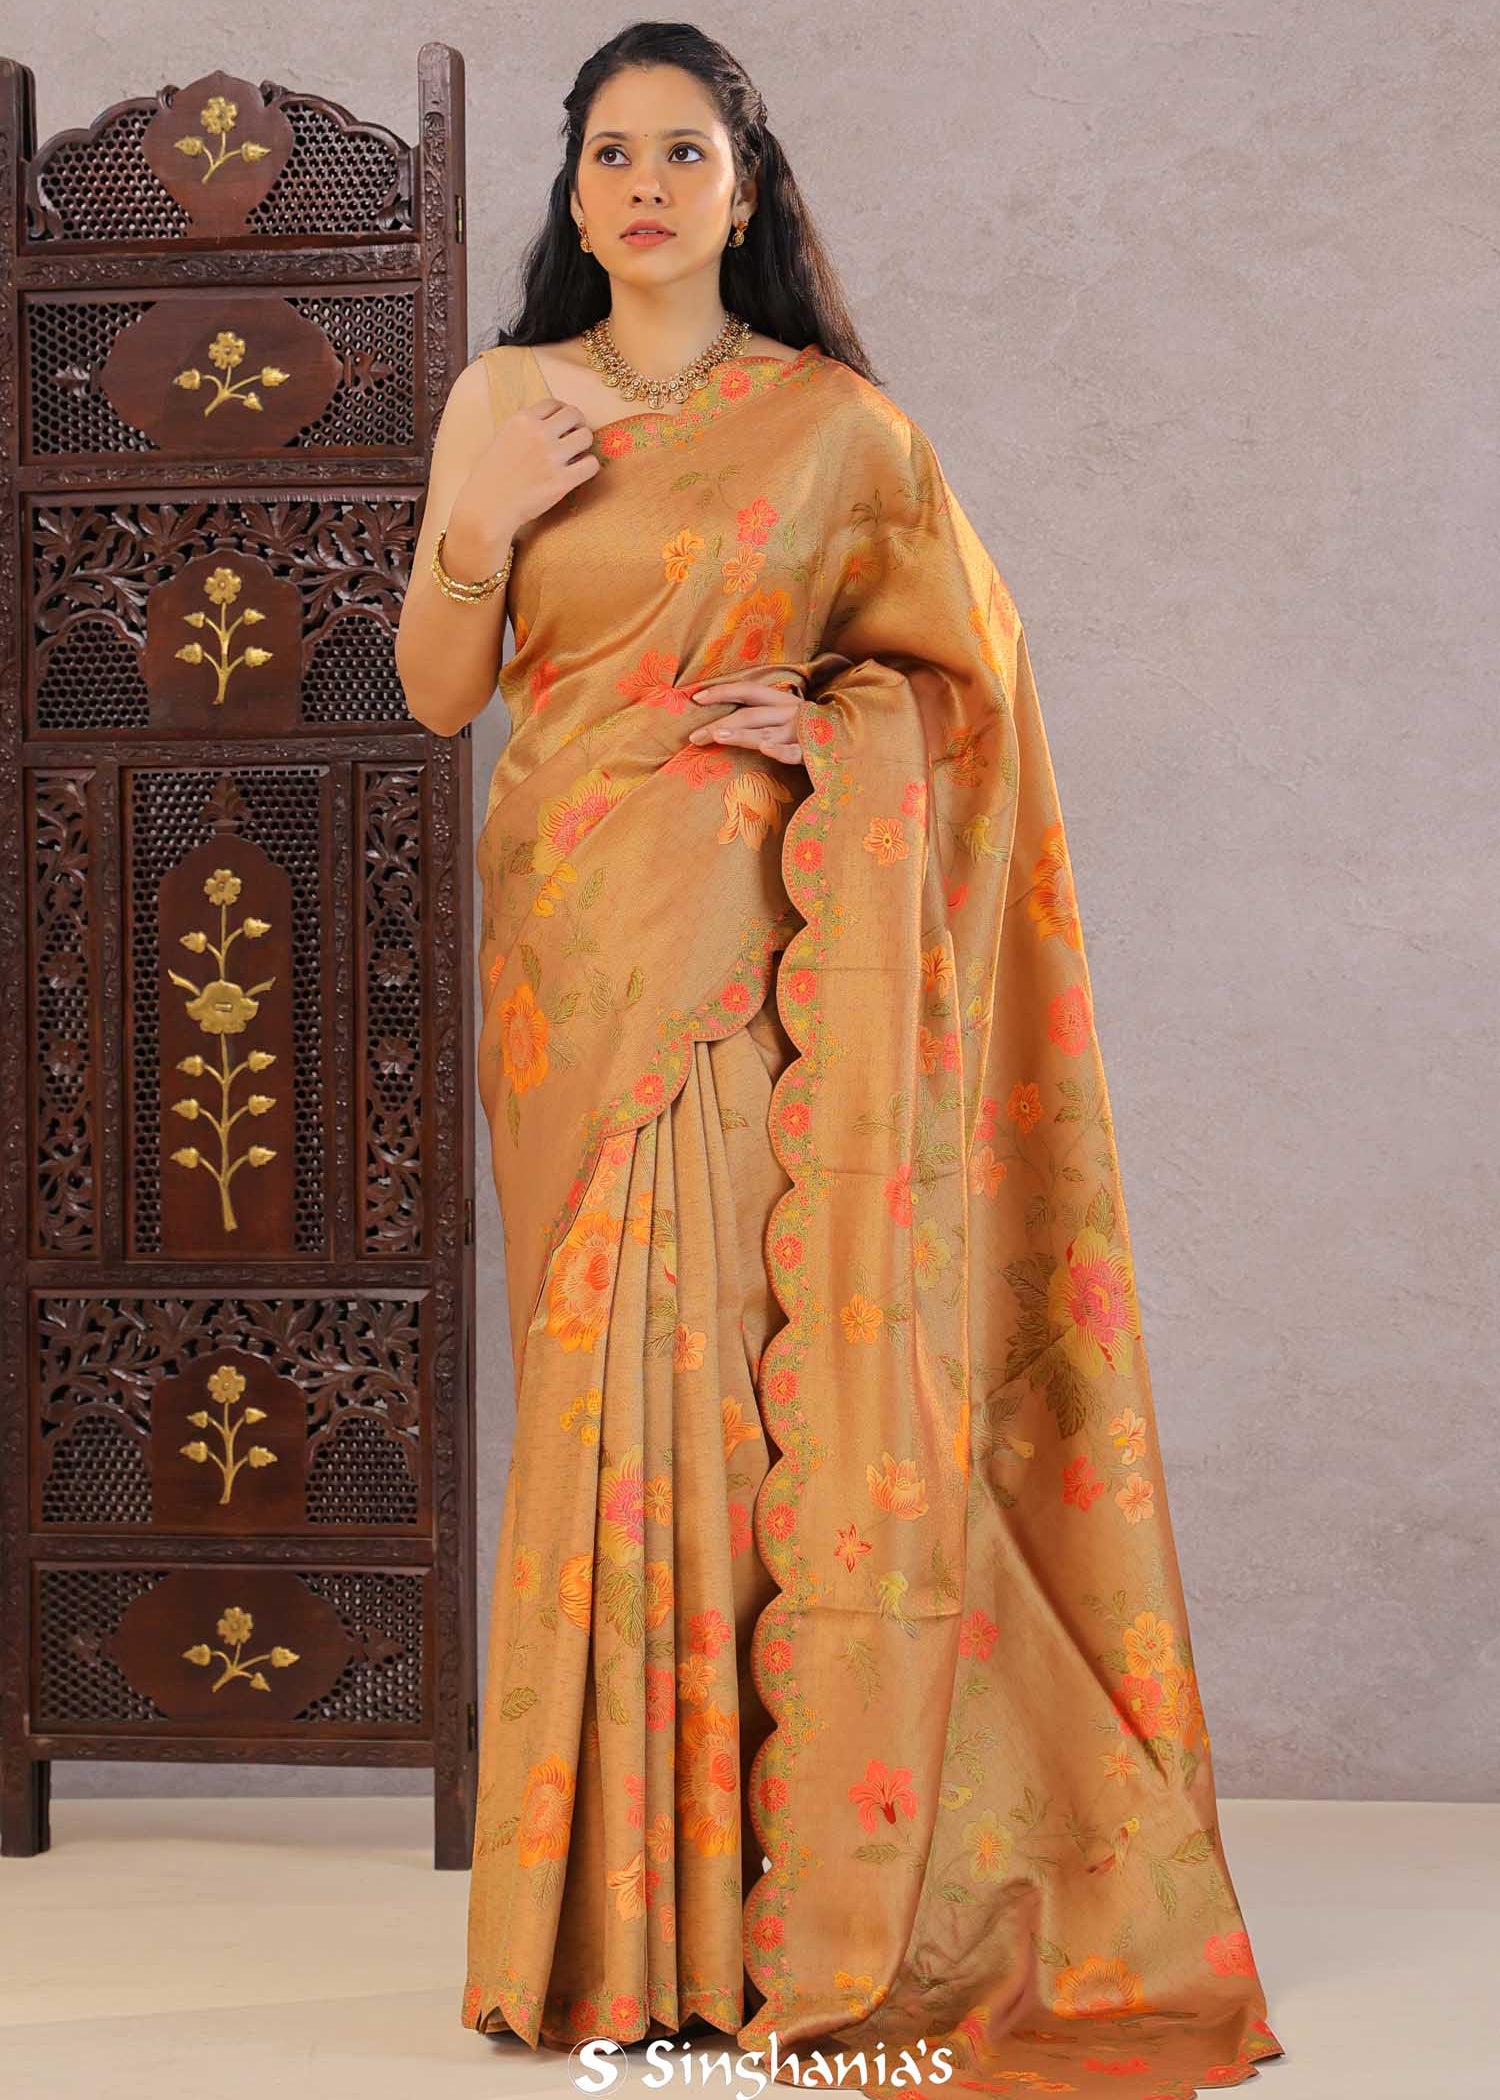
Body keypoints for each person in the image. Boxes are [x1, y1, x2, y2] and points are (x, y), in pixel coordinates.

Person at [396, 22, 1284, 2100]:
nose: (643, 188)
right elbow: (444, 695)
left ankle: (759, 1910)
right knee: (597, 1396)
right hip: (571, 961)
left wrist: (847, 733)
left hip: (756, 956)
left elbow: (972, 686)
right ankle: (610, 1927)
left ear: (746, 187)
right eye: (610, 154)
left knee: (732, 1398)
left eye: (681, 154)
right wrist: (481, 526)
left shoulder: (837, 428)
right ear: (574, 188)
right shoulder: (504, 401)